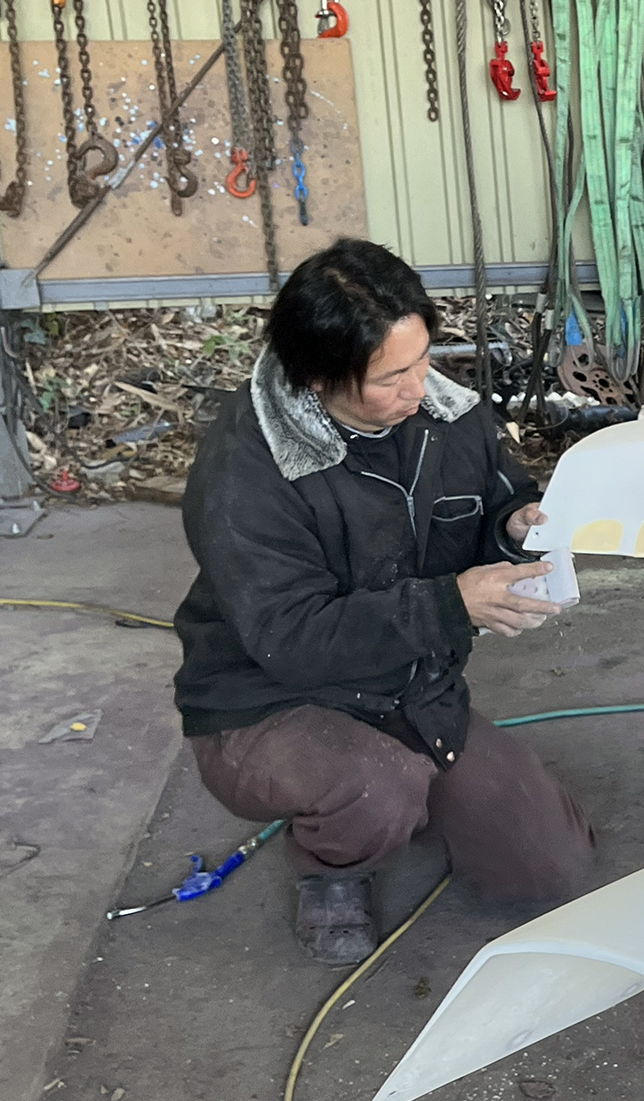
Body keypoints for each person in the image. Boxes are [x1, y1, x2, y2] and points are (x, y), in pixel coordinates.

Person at [172, 239, 593, 964]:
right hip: (267, 697)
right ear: (316, 378)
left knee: (549, 866)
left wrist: (515, 527)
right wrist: (451, 605)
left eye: (423, 359)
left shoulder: (448, 416)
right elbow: (290, 637)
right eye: (391, 376)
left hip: (409, 684)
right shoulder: (247, 465)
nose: (418, 388)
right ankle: (332, 864)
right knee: (378, 786)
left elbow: (502, 497)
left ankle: (394, 793)